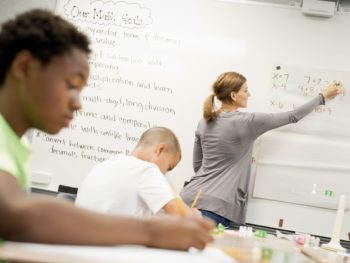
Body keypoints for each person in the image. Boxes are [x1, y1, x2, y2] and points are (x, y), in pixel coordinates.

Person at [0, 9, 214, 250]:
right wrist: (151, 231)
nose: (78, 103)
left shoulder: (19, 144)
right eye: (71, 85)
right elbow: (14, 215)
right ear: (25, 66)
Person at [180, 71, 343, 228]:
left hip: (187, 199)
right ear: (233, 95)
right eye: (246, 90)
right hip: (213, 208)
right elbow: (293, 116)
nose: (249, 94)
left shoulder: (204, 122)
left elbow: (198, 166)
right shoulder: (247, 122)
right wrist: (322, 97)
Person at [76, 127, 197, 217]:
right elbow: (181, 217)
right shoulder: (147, 170)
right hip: (110, 248)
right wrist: (194, 214)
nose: (165, 174)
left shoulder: (102, 166)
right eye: (169, 167)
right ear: (160, 149)